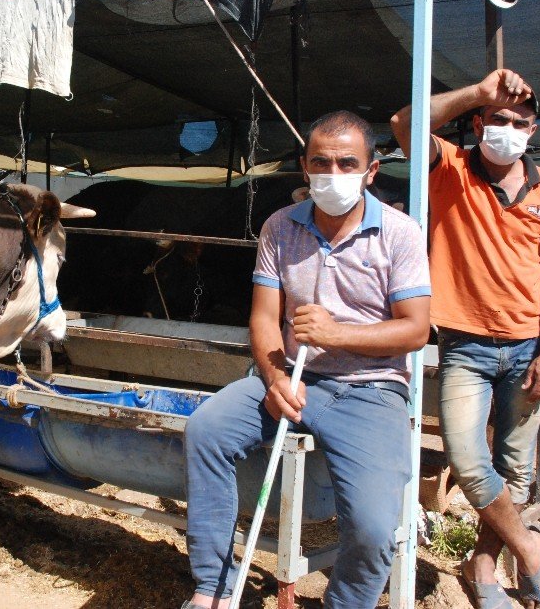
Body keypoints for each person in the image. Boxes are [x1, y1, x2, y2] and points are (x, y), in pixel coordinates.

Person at [181, 111, 431, 609]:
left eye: (347, 163)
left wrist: (338, 333)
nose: (333, 174)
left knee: (375, 526)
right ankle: (214, 586)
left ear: (371, 171)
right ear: (303, 166)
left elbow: (416, 329)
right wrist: (274, 377)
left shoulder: (400, 233)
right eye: (321, 162)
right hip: (292, 377)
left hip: (371, 388)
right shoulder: (279, 227)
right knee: (205, 431)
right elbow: (264, 320)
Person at [391, 69, 540, 609]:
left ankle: (486, 565)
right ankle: (528, 548)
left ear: (533, 131)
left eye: (520, 122)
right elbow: (403, 123)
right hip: (464, 344)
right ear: (478, 123)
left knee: (517, 468)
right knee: (469, 461)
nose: (508, 129)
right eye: (498, 119)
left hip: (527, 346)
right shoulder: (448, 167)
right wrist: (479, 90)